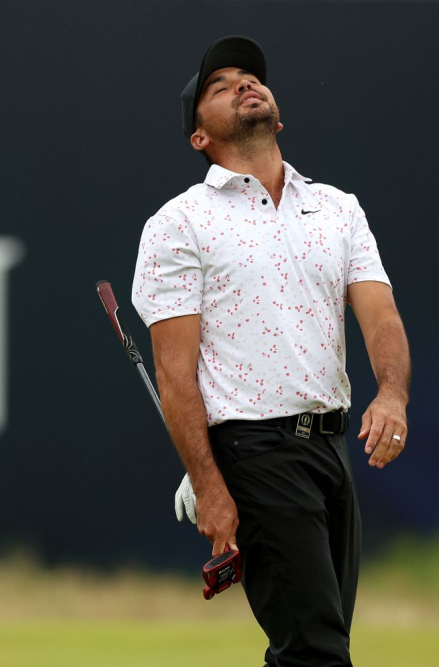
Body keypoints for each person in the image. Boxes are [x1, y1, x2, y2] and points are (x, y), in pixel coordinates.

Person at [130, 36, 411, 667]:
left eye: (250, 76)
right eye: (219, 84)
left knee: (316, 643)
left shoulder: (338, 209)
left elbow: (380, 315)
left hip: (331, 453)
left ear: (277, 115)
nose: (242, 83)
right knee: (315, 649)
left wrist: (391, 392)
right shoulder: (179, 223)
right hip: (254, 456)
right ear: (199, 135)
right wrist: (209, 482)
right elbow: (176, 374)